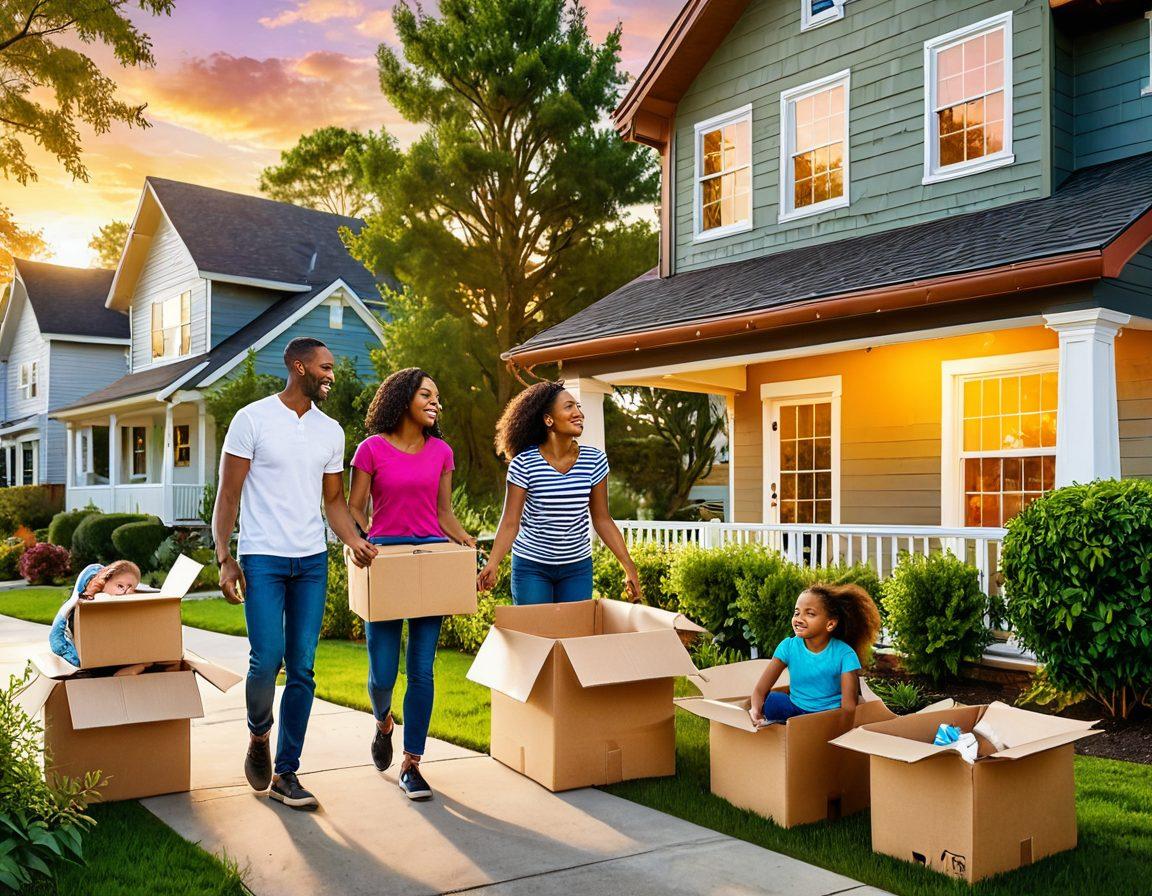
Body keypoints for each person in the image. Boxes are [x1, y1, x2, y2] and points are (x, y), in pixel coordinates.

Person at [213, 337, 377, 812]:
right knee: (267, 660)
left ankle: (287, 772)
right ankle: (259, 734)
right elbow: (228, 495)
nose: (331, 374)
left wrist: (354, 540)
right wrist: (225, 556)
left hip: (310, 562)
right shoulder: (252, 419)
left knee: (303, 668)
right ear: (299, 366)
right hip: (262, 557)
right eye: (325, 367)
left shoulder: (331, 431)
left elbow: (334, 503)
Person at [348, 368, 476, 802]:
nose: (435, 402)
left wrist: (462, 539)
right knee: (383, 672)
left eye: (437, 396)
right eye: (426, 394)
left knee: (421, 668)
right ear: (403, 399)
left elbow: (444, 513)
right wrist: (361, 542)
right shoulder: (370, 450)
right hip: (385, 563)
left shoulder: (441, 451)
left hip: (431, 561)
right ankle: (383, 721)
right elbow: (355, 510)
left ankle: (412, 764)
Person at [477, 380, 639, 605]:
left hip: (577, 568)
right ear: (548, 419)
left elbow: (602, 518)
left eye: (578, 406)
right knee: (535, 635)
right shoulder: (524, 464)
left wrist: (629, 568)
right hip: (532, 566)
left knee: (572, 636)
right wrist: (493, 564)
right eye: (569, 407)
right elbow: (510, 522)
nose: (578, 413)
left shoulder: (594, 460)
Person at [749, 583, 882, 726]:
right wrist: (755, 710)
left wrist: (840, 735)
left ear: (830, 624)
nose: (799, 619)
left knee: (849, 710)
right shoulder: (788, 646)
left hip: (827, 716)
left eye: (810, 613)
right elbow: (760, 690)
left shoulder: (845, 654)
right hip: (795, 710)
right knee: (774, 701)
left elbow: (848, 706)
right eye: (797, 612)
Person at [48, 560, 142, 666]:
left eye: (130, 589)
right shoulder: (86, 603)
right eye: (120, 586)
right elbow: (56, 637)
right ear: (106, 580)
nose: (123, 593)